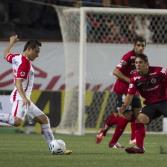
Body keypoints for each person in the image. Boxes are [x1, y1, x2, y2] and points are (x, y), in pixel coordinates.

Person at [0, 35, 72, 155]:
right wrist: (23, 98)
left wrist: (11, 43)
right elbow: (18, 82)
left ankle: (54, 148)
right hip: (20, 96)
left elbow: (5, 54)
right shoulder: (25, 63)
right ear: (29, 49)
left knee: (44, 119)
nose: (38, 55)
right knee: (17, 121)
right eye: (36, 51)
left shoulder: (16, 57)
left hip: (23, 97)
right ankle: (54, 147)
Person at [96, 36, 146, 148]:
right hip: (123, 89)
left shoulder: (142, 59)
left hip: (133, 90)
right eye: (138, 45)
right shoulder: (128, 56)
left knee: (137, 114)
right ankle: (111, 141)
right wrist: (130, 80)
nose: (141, 47)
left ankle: (134, 140)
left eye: (143, 45)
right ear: (134, 45)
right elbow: (116, 72)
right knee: (126, 116)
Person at [120, 53, 167, 154]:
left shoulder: (160, 71)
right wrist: (124, 107)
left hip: (164, 101)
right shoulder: (134, 79)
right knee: (140, 119)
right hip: (151, 104)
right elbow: (130, 95)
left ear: (147, 64)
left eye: (140, 62)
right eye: (136, 63)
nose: (138, 65)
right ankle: (139, 147)